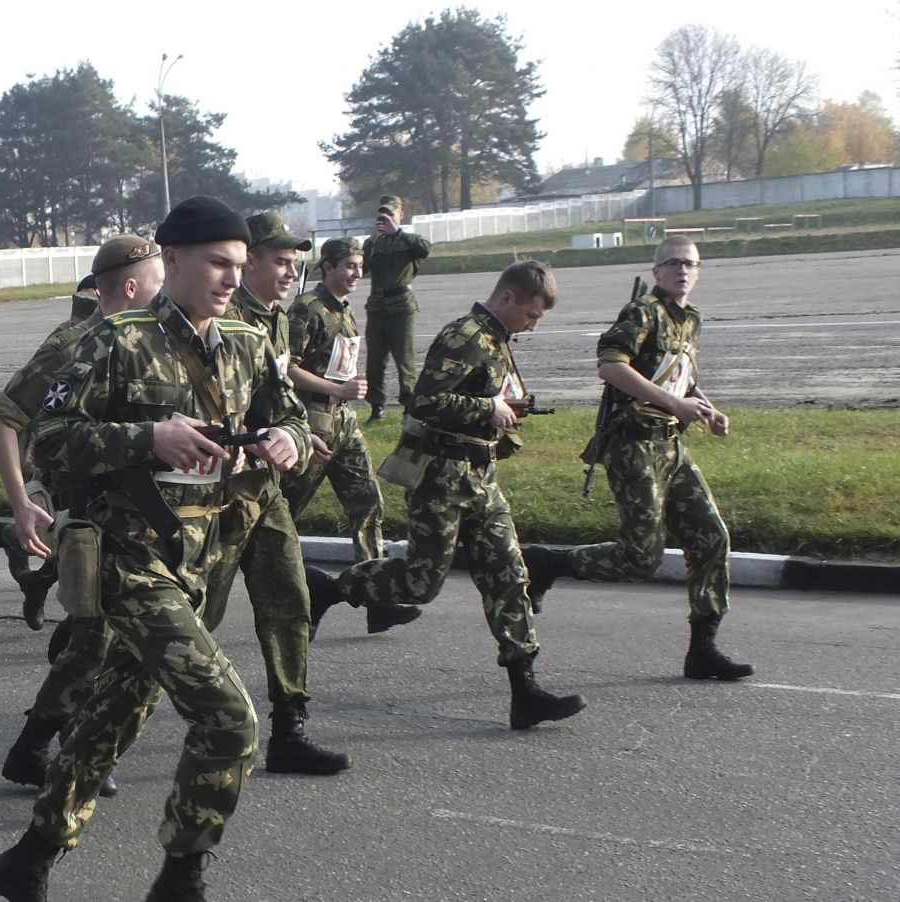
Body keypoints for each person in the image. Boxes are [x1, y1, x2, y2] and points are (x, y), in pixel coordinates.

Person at [0, 196, 308, 902]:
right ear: (170, 261)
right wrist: (146, 437)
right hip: (127, 556)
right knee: (228, 719)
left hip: (200, 556)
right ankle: (181, 876)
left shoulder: (250, 345)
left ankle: (29, 856)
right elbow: (48, 438)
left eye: (239, 265)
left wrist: (290, 438)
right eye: (217, 264)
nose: (232, 278)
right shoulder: (115, 340)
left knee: (110, 716)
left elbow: (289, 416)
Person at [309, 260, 587, 730]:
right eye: (532, 314)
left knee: (508, 575)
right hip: (442, 478)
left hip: (481, 477)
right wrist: (489, 407)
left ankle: (526, 690)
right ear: (507, 298)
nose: (533, 324)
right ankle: (333, 589)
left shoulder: (497, 339)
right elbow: (426, 402)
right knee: (422, 582)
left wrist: (505, 410)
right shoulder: (466, 337)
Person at [524, 235, 752, 681]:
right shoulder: (642, 312)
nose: (681, 271)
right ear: (656, 272)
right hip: (633, 446)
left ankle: (703, 650)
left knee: (712, 538)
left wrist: (705, 407)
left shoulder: (690, 320)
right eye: (672, 263)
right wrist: (673, 402)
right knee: (639, 557)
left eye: (689, 264)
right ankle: (548, 562)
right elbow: (611, 367)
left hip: (672, 446)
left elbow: (680, 379)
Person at [0, 235, 162, 798]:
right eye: (160, 277)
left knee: (98, 637)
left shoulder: (157, 339)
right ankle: (67, 744)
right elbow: (5, 415)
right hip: (88, 513)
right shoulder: (75, 340)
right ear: (132, 286)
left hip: (141, 512)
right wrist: (22, 501)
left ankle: (41, 745)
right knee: (101, 637)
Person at [197, 211, 352, 776]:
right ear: (252, 259)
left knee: (289, 600)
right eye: (282, 261)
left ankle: (290, 729)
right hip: (210, 501)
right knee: (192, 619)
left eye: (296, 263)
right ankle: (78, 725)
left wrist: (294, 433)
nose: (291, 272)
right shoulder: (218, 319)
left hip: (264, 492)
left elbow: (275, 399)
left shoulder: (274, 321)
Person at [282, 236, 419, 637]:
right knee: (284, 512)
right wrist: (334, 389)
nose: (357, 273)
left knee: (367, 502)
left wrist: (344, 396)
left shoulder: (344, 310)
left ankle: (377, 599)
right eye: (349, 266)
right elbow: (285, 368)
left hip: (344, 423)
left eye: (360, 266)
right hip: (313, 423)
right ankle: (290, 597)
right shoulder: (307, 309)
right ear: (328, 267)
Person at [0, 276, 102, 613]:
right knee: (58, 532)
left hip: (87, 463)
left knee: (75, 538)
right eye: (84, 301)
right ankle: (8, 546)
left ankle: (36, 580)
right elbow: (17, 410)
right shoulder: (68, 343)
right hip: (52, 452)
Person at [362, 195, 431, 420]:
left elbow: (425, 250)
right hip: (377, 306)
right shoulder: (375, 242)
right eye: (382, 215)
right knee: (375, 361)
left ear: (400, 215)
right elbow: (362, 269)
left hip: (401, 306)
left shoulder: (409, 240)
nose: (386, 219)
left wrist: (397, 232)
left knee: (405, 360)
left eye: (390, 215)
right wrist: (371, 241)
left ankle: (409, 406)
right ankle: (376, 406)